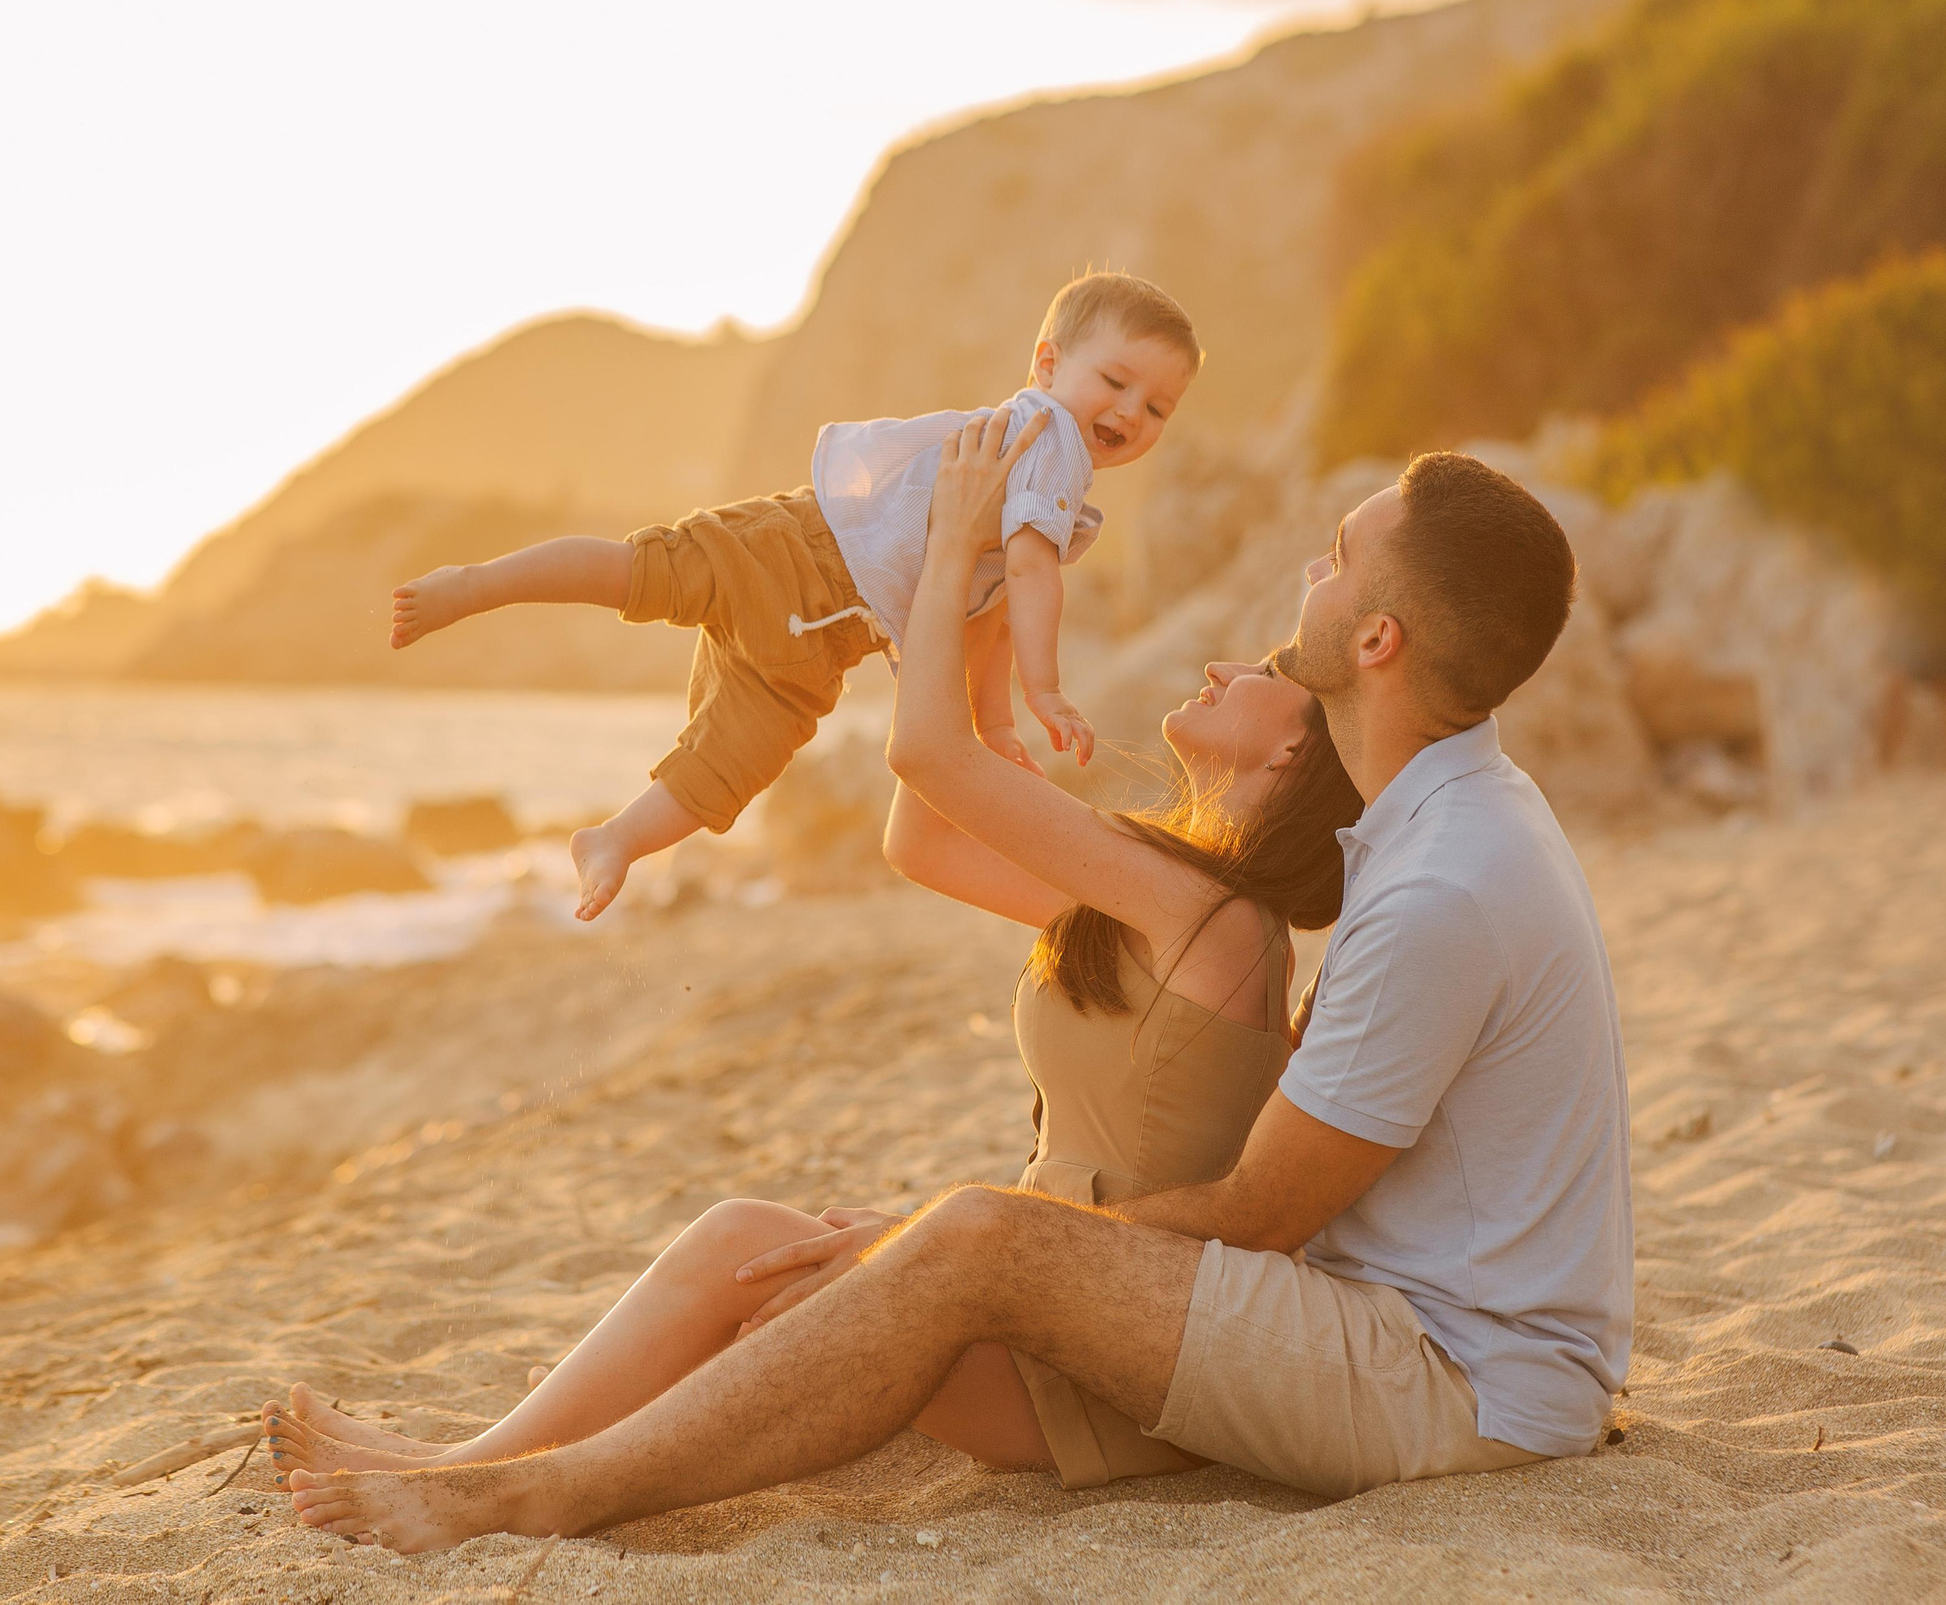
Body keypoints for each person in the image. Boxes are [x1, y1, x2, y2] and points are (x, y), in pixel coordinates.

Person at [289, 423, 1632, 1550]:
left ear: (1381, 637)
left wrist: (963, 1245)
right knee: (911, 1243)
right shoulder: (1437, 826)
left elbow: (1261, 1207)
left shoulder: (1438, 879)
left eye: (1336, 558)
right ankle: (494, 1456)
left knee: (976, 1237)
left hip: (1458, 1378)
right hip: (1438, 1337)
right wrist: (939, 1248)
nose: (1307, 570)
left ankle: (540, 1488)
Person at [386, 272, 1201, 920]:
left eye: (1157, 405)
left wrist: (992, 720)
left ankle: (611, 837)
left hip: (819, 626)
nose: (1130, 411)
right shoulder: (1050, 444)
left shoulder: (1037, 464)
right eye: (1117, 380)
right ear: (1049, 364)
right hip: (802, 566)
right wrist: (1045, 690)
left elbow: (979, 615)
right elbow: (1028, 576)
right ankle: (480, 588)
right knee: (690, 677)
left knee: (651, 603)